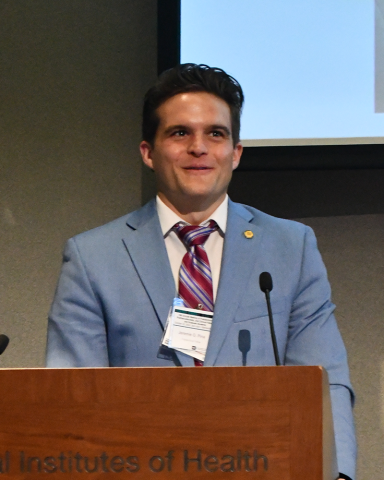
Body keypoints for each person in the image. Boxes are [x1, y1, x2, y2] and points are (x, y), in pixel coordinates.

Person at [46, 64, 356, 479]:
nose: (199, 147)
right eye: (179, 133)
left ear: (236, 152)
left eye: (216, 133)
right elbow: (71, 399)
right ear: (148, 152)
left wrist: (337, 475)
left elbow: (326, 384)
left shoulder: (290, 247)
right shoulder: (92, 257)